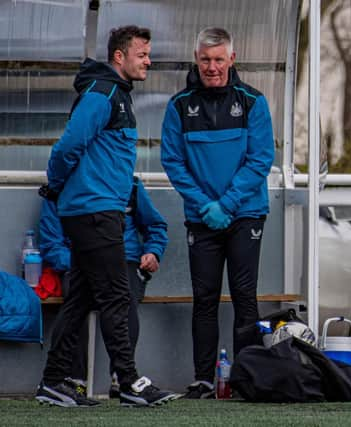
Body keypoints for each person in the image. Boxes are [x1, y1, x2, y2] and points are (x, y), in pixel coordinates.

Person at [36, 25, 176, 407]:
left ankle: (52, 381)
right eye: (142, 54)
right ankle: (129, 382)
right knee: (117, 296)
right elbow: (67, 146)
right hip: (94, 212)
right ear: (120, 56)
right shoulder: (103, 94)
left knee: (80, 300)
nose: (149, 61)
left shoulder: (117, 95)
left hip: (98, 211)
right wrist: (56, 185)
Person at [161, 27, 275, 399]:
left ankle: (244, 380)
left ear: (232, 59)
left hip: (244, 214)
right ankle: (204, 379)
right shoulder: (178, 105)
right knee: (204, 297)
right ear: (196, 59)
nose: (212, 67)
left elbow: (261, 160)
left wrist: (225, 205)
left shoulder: (253, 102)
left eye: (219, 59)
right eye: (205, 59)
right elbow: (173, 162)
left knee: (245, 296)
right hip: (202, 217)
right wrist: (204, 206)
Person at [41, 177, 168, 398]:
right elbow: (51, 243)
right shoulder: (60, 189)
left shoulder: (131, 185)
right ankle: (74, 380)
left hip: (124, 260)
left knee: (123, 296)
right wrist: (77, 262)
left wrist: (153, 251)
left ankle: (121, 377)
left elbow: (155, 225)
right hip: (78, 261)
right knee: (76, 300)